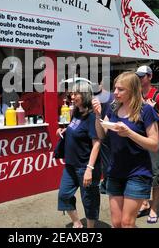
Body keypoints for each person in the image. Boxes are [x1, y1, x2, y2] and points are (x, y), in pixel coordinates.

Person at [93, 71, 159, 228]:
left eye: (120, 89)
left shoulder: (145, 110)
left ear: (133, 90)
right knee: (117, 223)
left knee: (127, 223)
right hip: (115, 171)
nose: (115, 92)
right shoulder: (113, 108)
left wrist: (129, 133)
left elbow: (154, 144)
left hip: (138, 172)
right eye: (115, 88)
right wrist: (97, 117)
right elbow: (102, 135)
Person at [56, 81, 101, 228]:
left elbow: (97, 144)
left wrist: (89, 169)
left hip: (85, 166)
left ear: (85, 95)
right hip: (70, 165)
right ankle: (77, 223)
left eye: (76, 94)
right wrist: (65, 131)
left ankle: (90, 227)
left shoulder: (91, 117)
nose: (72, 96)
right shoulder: (76, 111)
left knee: (89, 200)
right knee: (64, 194)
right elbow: (75, 128)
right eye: (71, 93)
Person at [136, 65, 159, 224]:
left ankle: (154, 208)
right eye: (138, 76)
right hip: (137, 140)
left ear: (149, 76)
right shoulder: (135, 95)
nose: (139, 78)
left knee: (156, 176)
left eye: (142, 76)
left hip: (154, 141)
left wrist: (151, 110)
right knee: (140, 174)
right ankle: (144, 203)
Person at [92, 76, 114, 195]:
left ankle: (107, 185)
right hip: (114, 131)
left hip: (103, 130)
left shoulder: (99, 98)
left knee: (106, 161)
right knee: (111, 159)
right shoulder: (114, 97)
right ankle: (108, 184)